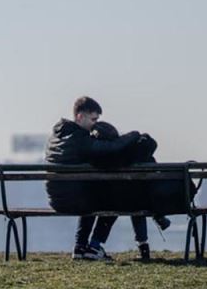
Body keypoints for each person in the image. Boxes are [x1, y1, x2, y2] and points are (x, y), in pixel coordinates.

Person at [45, 96, 143, 260]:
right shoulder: (79, 139)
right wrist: (134, 135)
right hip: (73, 200)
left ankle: (80, 247)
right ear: (79, 116)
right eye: (93, 119)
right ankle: (95, 246)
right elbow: (111, 147)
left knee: (90, 198)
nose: (95, 124)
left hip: (56, 200)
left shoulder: (55, 138)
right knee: (115, 202)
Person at [91, 121, 171, 261]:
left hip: (114, 201)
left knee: (113, 206)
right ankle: (144, 246)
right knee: (136, 201)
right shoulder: (135, 150)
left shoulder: (103, 154)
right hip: (140, 200)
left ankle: (94, 245)